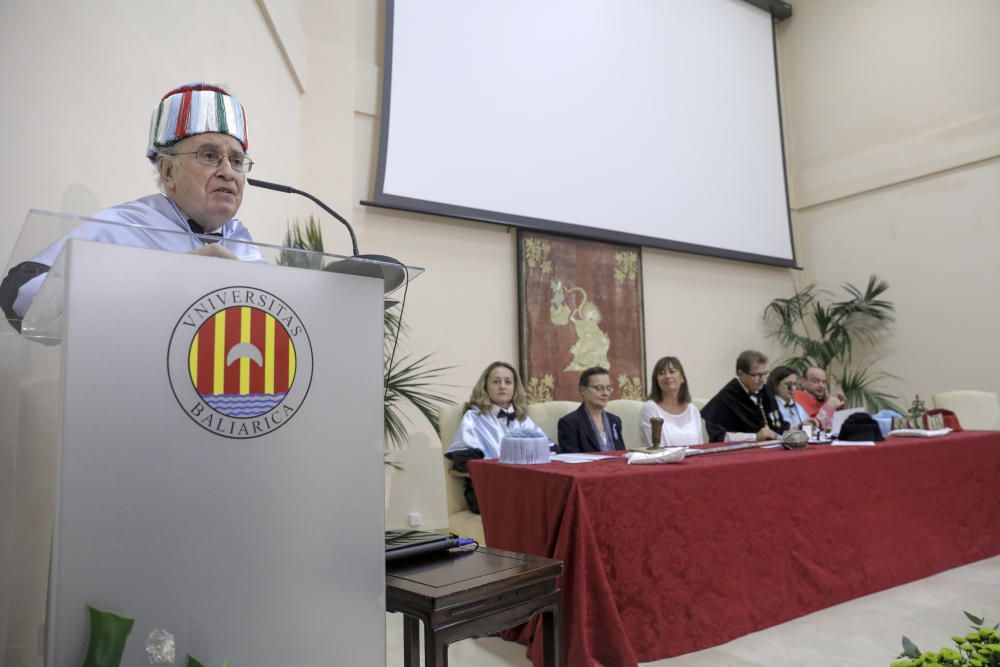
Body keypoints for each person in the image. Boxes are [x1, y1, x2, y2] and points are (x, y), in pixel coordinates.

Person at [1, 82, 262, 332]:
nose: (228, 172)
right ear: (168, 171)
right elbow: (20, 294)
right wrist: (158, 277)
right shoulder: (126, 226)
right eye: (209, 156)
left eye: (237, 161)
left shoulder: (242, 243)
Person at [445, 361, 544, 460]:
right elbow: (463, 456)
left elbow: (547, 447)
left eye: (508, 382)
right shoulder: (473, 417)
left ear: (515, 388)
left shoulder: (522, 418)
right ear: (485, 386)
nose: (502, 386)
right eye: (496, 381)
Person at [701, 350, 787, 442]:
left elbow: (778, 425)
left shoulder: (766, 392)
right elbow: (719, 436)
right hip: (739, 451)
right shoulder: (725, 398)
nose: (762, 380)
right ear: (741, 374)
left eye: (765, 374)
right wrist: (754, 437)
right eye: (756, 375)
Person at [558, 366, 627, 452]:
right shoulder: (569, 423)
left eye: (608, 388)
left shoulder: (614, 420)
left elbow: (621, 453)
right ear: (583, 390)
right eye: (599, 388)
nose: (605, 393)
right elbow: (571, 459)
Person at [639, 356, 703, 447]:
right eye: (661, 373)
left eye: (672, 371)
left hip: (695, 460)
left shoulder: (693, 410)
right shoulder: (650, 409)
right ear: (656, 381)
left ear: (682, 378)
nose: (667, 376)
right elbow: (658, 450)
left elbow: (700, 447)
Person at [768, 366, 815, 430]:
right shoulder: (771, 406)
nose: (793, 388)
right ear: (776, 385)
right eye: (788, 384)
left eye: (795, 384)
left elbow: (809, 425)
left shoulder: (798, 406)